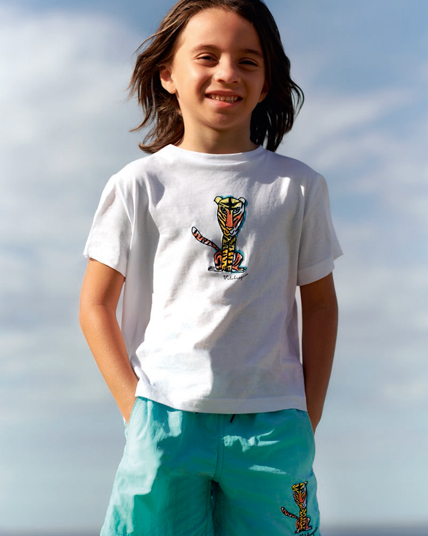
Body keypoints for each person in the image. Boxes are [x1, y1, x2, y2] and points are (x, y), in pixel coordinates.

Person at [79, 0, 342, 534]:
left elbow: (319, 305)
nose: (227, 72)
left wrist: (305, 416)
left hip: (275, 426)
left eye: (248, 60)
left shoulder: (298, 187)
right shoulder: (139, 183)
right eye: (207, 56)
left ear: (266, 82)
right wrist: (136, 412)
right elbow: (95, 304)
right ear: (168, 75)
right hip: (163, 421)